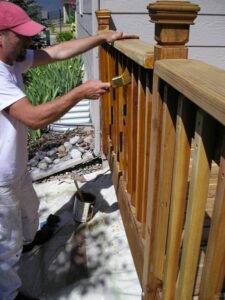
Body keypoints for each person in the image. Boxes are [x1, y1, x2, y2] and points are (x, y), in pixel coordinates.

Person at [0, 1, 138, 300]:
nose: (28, 40)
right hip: (0, 178)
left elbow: (58, 51)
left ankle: (29, 241)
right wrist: (79, 92)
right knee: (4, 246)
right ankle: (8, 293)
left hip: (14, 167)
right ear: (0, 36)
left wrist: (102, 36)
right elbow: (35, 118)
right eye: (20, 35)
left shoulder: (14, 58)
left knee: (30, 210)